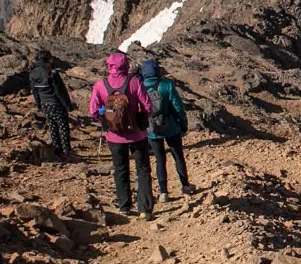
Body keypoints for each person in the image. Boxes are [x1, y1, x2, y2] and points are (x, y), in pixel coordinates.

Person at [89, 52, 154, 219]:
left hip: (114, 136)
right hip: (138, 135)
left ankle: (124, 206)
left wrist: (106, 117)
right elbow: (147, 105)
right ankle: (145, 208)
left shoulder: (100, 85)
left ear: (109, 66)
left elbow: (93, 111)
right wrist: (142, 118)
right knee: (143, 169)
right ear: (126, 65)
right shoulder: (134, 82)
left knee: (120, 169)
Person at [140, 59, 194, 201]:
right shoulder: (166, 85)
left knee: (160, 159)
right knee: (178, 156)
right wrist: (183, 123)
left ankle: (164, 192)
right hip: (171, 127)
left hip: (151, 129)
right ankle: (186, 186)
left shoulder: (140, 87)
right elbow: (178, 107)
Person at [29, 50, 74, 158]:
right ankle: (67, 152)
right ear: (49, 59)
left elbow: (34, 91)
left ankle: (56, 150)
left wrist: (39, 104)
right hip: (55, 103)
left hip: (45, 103)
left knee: (52, 126)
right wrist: (68, 105)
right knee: (63, 127)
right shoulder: (51, 72)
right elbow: (60, 91)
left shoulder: (33, 73)